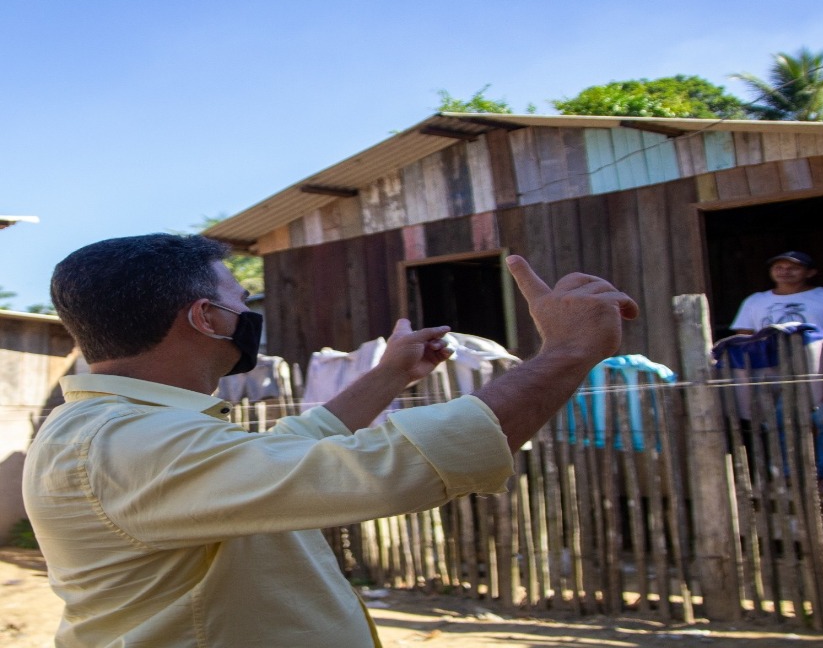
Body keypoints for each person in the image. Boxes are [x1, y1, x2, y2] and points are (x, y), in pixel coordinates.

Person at [22, 233, 638, 648]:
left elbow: (289, 448)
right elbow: (394, 467)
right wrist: (568, 353)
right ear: (207, 319)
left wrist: (389, 376)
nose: (249, 312)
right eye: (240, 301)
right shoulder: (125, 443)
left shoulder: (126, 428)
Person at [728, 250, 823, 481]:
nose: (785, 272)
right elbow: (744, 336)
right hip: (772, 370)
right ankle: (786, 473)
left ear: (811, 272)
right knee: (779, 420)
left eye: (793, 268)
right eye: (779, 267)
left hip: (819, 367)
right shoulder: (756, 301)